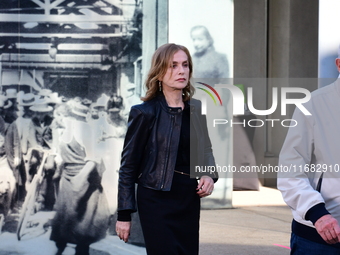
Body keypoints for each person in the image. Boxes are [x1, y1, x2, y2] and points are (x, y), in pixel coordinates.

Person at [116, 43, 218, 255]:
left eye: (185, 65)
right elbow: (128, 166)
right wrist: (124, 215)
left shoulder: (196, 109)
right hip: (155, 200)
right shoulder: (144, 112)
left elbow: (205, 149)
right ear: (159, 73)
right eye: (172, 66)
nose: (181, 71)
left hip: (188, 198)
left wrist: (209, 174)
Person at [278, 47, 340, 254]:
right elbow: (290, 170)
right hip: (319, 236)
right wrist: (317, 213)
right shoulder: (312, 105)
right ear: (339, 65)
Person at [50, 101, 110, 255]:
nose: (60, 119)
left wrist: (80, 178)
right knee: (66, 216)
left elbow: (93, 159)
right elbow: (63, 155)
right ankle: (60, 249)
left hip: (84, 180)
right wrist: (58, 169)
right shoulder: (65, 131)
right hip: (68, 178)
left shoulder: (84, 130)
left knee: (83, 220)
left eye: (62, 115)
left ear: (70, 115)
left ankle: (81, 251)